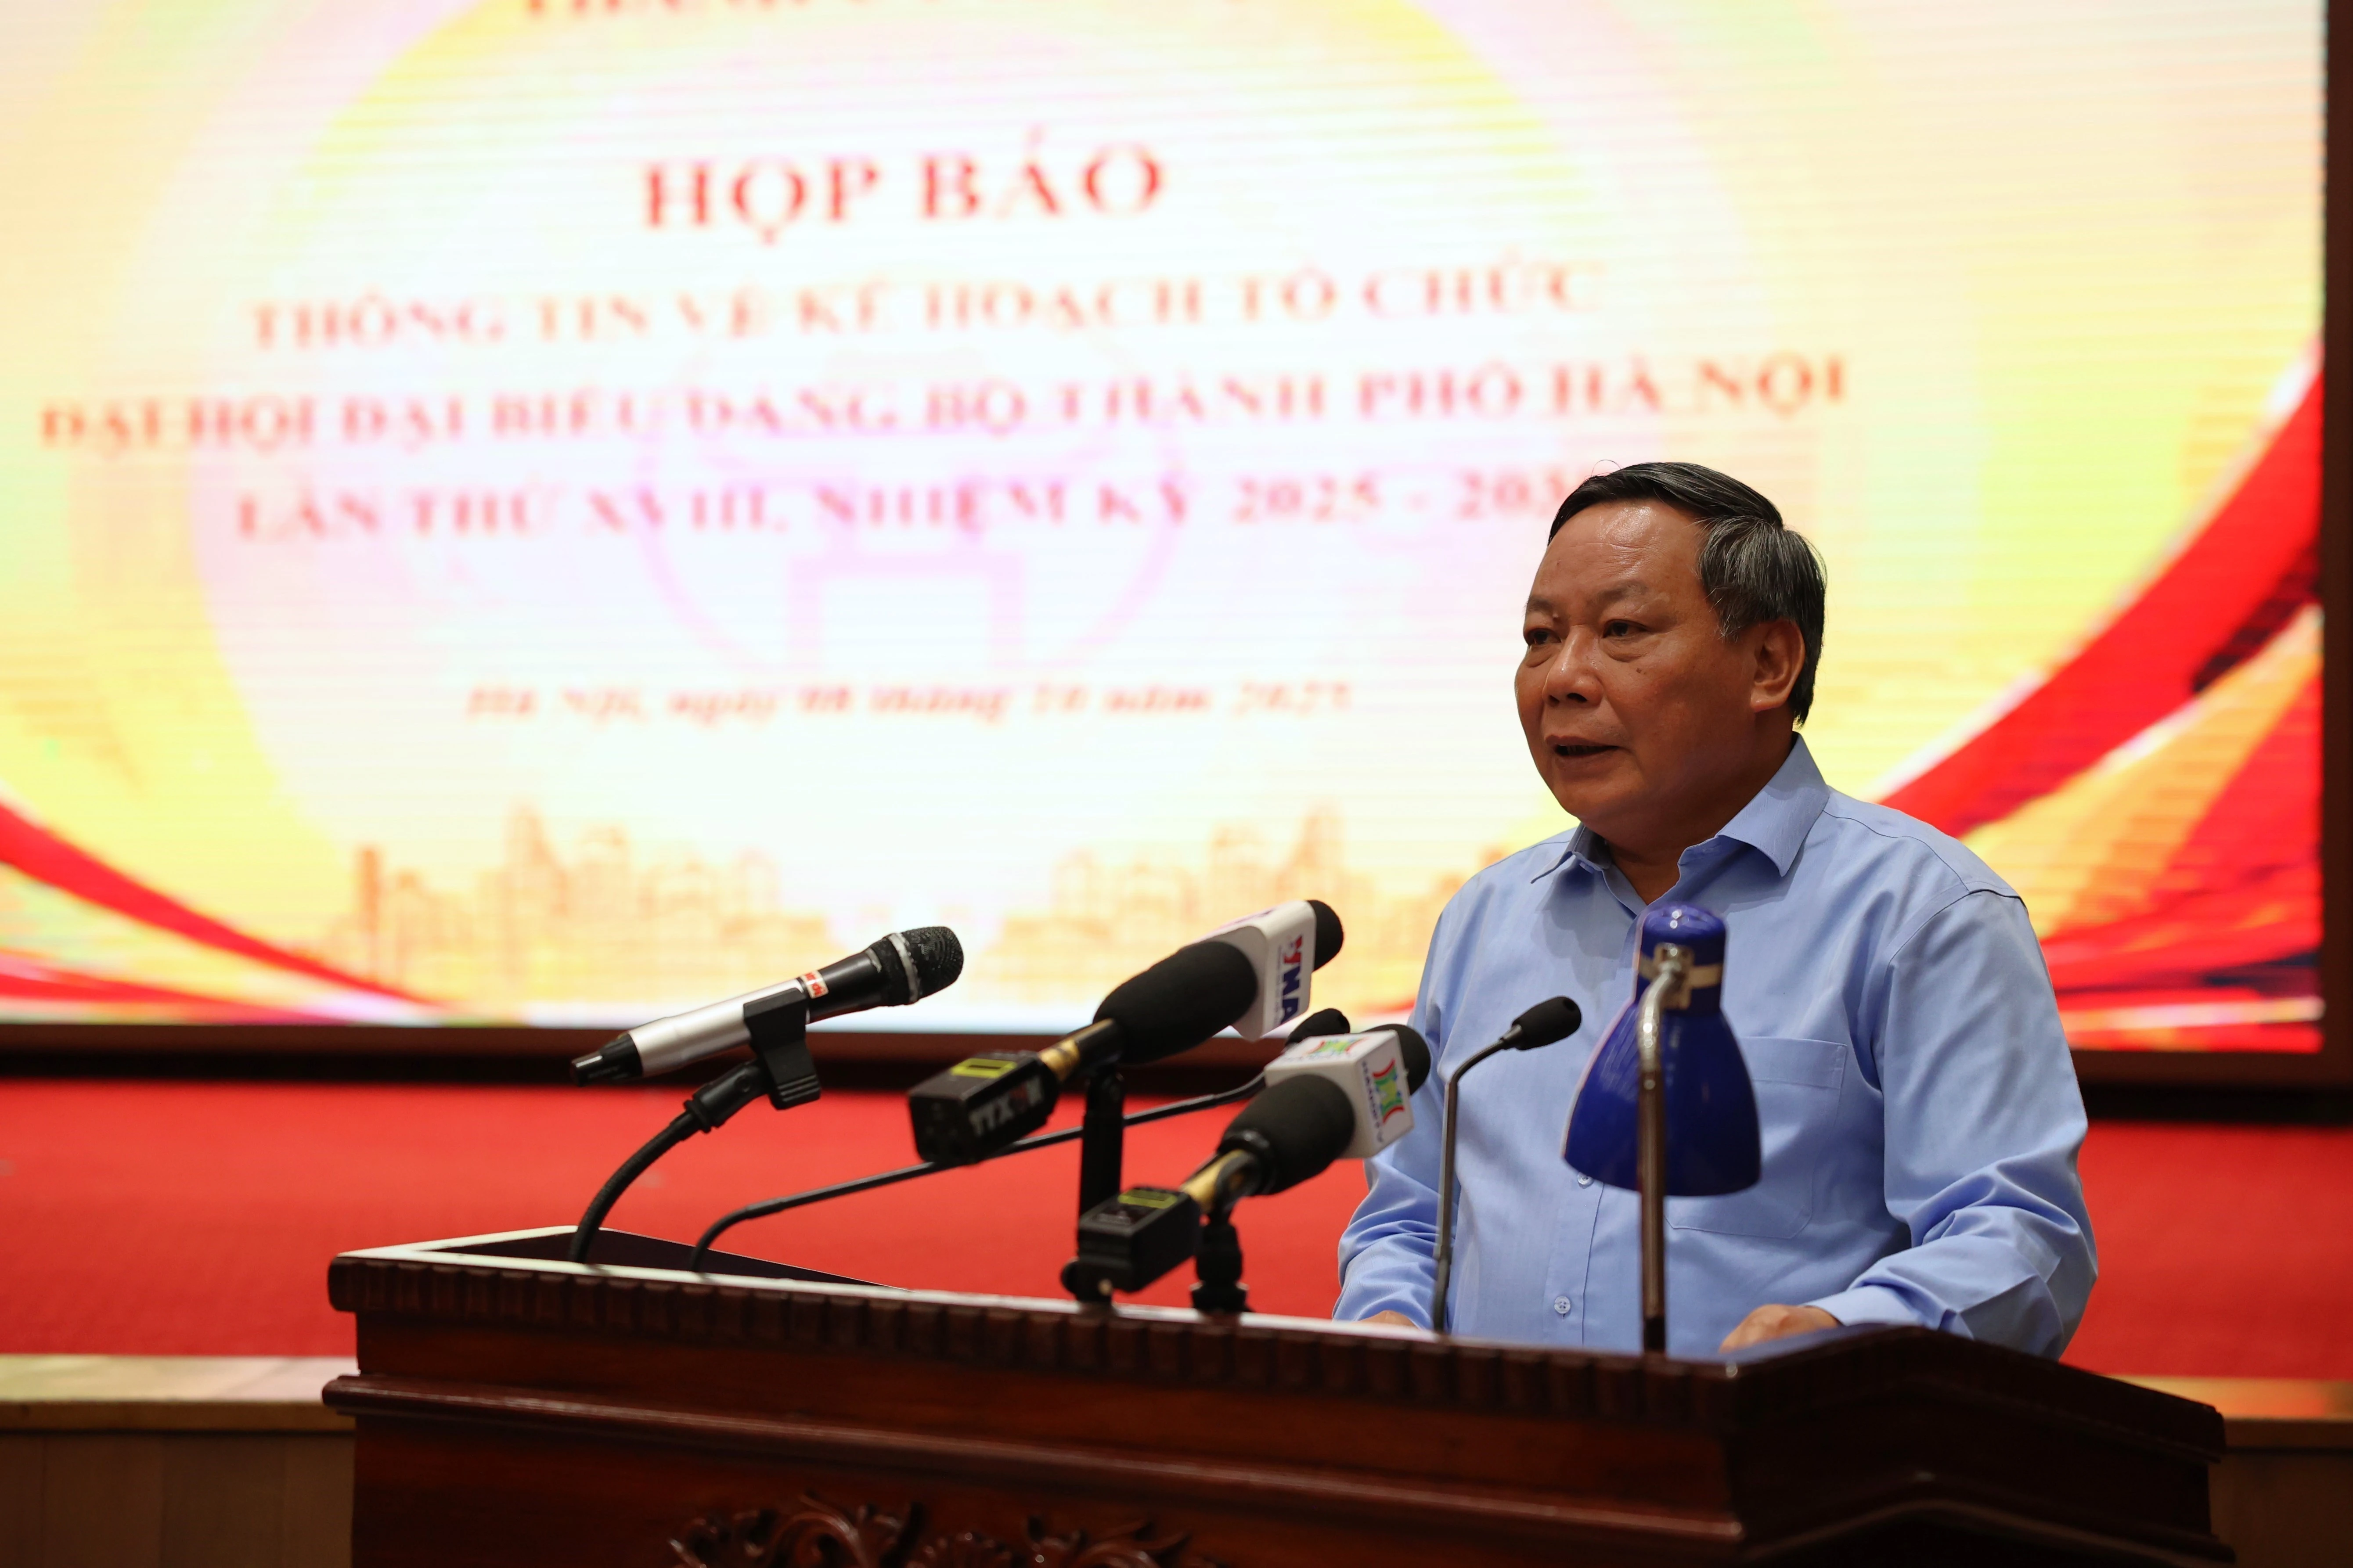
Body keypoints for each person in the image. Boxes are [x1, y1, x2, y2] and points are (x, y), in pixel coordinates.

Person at [1336, 462, 2094, 1357]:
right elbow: (1409, 1217)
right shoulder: (1488, 916)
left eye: (1622, 631)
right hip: (1499, 1464)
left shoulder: (1923, 914)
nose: (1562, 677)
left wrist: (1837, 1334)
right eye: (1541, 637)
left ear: (1769, 663)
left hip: (1777, 1466)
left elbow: (2018, 1237)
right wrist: (1386, 1327)